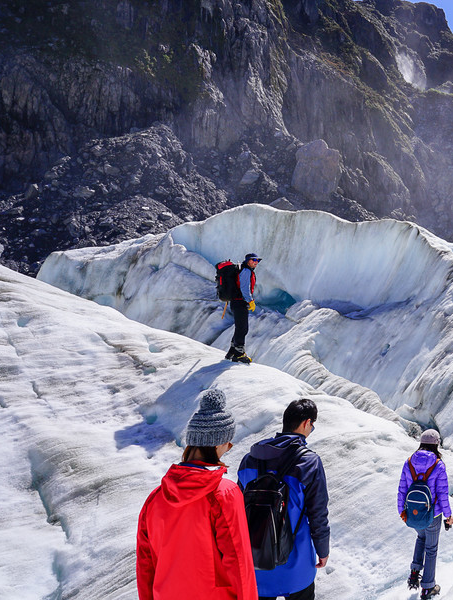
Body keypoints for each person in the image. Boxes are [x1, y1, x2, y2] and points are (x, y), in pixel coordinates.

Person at [136, 388, 257, 600]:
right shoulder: (224, 493)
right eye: (229, 442)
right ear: (219, 442)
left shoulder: (155, 499)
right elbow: (238, 561)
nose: (229, 447)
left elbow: (145, 566)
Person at [238, 399, 330, 600]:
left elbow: (236, 510)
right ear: (306, 423)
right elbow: (318, 514)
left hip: (255, 562)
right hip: (297, 563)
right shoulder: (309, 462)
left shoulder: (250, 459)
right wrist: (323, 549)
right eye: (312, 424)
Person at [398, 429, 453, 599]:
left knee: (421, 538)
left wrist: (402, 511)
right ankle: (428, 587)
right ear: (436, 444)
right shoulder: (438, 465)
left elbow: (402, 489)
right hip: (432, 515)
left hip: (413, 513)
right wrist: (448, 516)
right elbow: (442, 494)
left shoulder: (409, 462)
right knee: (431, 548)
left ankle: (414, 573)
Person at [226, 253, 261, 363]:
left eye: (258, 260)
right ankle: (239, 354)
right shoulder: (246, 271)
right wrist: (250, 301)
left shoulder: (245, 270)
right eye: (253, 260)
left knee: (239, 326)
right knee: (243, 328)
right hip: (240, 302)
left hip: (236, 302)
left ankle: (232, 351)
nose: (256, 262)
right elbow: (244, 288)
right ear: (247, 260)